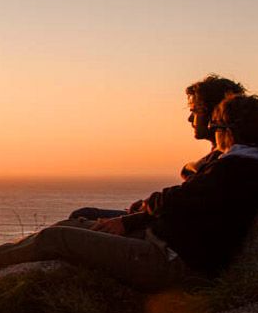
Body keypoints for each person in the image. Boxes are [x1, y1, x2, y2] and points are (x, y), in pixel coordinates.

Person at [0, 94, 258, 295]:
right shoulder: (244, 164)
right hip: (161, 245)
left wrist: (140, 213)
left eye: (215, 126)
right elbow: (181, 202)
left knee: (58, 237)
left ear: (227, 130)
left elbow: (174, 201)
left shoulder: (236, 170)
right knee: (76, 222)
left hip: (169, 262)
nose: (211, 131)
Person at [70, 75, 246, 221]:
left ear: (213, 114)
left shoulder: (225, 163)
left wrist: (140, 213)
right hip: (157, 220)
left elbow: (183, 207)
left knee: (78, 221)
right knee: (83, 214)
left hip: (159, 232)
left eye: (195, 111)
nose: (189, 119)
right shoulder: (222, 158)